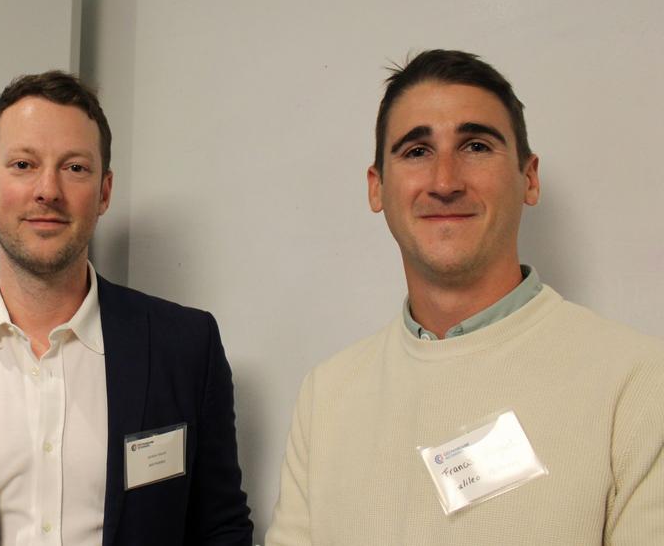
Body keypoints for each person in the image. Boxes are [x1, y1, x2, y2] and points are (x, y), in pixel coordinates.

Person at [264, 49, 664, 545]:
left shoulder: (640, 383)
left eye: (475, 146)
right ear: (377, 188)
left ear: (529, 178)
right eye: (417, 151)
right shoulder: (326, 396)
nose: (445, 182)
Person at [0, 71, 253, 545]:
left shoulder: (186, 348)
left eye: (75, 168)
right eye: (23, 164)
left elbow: (220, 528)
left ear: (104, 192)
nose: (48, 190)